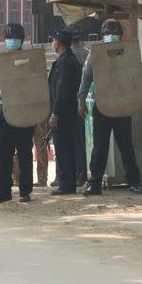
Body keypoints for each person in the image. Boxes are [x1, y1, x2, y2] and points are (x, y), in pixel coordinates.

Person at [78, 19, 142, 195]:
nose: (111, 37)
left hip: (123, 106)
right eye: (108, 34)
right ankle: (94, 183)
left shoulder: (128, 52)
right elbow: (85, 80)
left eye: (114, 33)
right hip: (102, 106)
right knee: (100, 147)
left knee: (126, 147)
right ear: (103, 36)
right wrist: (81, 101)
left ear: (121, 36)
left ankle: (134, 182)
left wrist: (135, 99)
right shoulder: (96, 54)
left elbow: (135, 78)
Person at [0, 23, 36, 204]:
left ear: (22, 40)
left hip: (25, 111)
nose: (12, 41)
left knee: (24, 152)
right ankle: (4, 192)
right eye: (9, 38)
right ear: (4, 40)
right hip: (4, 111)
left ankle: (25, 191)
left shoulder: (30, 60)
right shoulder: (0, 61)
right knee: (4, 153)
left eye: (15, 38)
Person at [47, 29, 83, 196]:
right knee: (66, 148)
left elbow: (62, 90)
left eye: (54, 40)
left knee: (64, 149)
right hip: (68, 113)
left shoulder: (65, 62)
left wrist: (55, 112)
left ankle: (67, 185)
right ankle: (67, 183)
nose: (53, 43)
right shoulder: (66, 59)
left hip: (64, 114)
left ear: (59, 42)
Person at [70, 31, 90, 186]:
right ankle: (86, 172)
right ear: (81, 40)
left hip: (72, 104)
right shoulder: (88, 54)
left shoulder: (66, 56)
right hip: (88, 102)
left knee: (75, 141)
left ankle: (79, 173)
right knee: (86, 140)